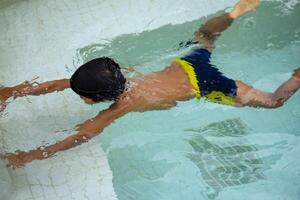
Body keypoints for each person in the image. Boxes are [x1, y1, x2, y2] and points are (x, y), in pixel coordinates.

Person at [0, 0, 299, 169]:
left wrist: (31, 155)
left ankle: (297, 77)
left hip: (205, 84)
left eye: (85, 98)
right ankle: (235, 12)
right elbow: (60, 84)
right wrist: (12, 91)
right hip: (186, 64)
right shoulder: (119, 77)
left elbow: (82, 135)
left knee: (273, 102)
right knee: (206, 34)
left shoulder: (122, 105)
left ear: (97, 99)